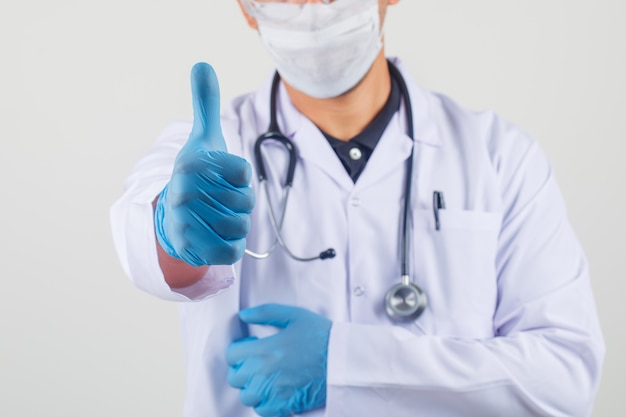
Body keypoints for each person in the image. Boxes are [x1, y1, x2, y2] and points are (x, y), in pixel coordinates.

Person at [110, 0, 605, 416]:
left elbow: (564, 376)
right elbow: (145, 238)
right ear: (246, 6)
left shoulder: (499, 156)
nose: (311, 9)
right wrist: (171, 229)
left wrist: (344, 363)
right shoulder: (218, 149)